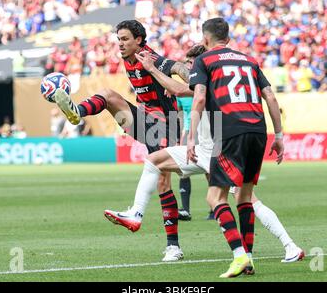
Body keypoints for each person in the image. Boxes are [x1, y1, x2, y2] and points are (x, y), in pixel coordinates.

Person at [105, 45, 304, 265]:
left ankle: (289, 245)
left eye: (192, 65)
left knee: (247, 200)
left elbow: (181, 90)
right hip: (204, 150)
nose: (190, 70)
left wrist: (152, 70)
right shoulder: (218, 80)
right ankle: (136, 214)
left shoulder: (208, 82)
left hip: (217, 151)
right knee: (154, 161)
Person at [53, 20, 191, 253]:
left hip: (166, 126)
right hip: (146, 122)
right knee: (107, 95)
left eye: (125, 39)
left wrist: (194, 80)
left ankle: (172, 246)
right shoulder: (128, 60)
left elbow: (177, 67)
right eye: (119, 40)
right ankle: (77, 113)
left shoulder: (149, 57)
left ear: (139, 40)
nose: (121, 44)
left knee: (163, 182)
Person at [187, 18, 284, 278]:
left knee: (214, 198)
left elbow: (198, 98)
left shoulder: (204, 60)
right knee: (243, 196)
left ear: (205, 39)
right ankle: (249, 258)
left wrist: (191, 138)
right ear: (228, 38)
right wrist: (280, 135)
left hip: (229, 132)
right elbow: (271, 97)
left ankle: (239, 255)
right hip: (258, 132)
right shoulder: (249, 60)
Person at [176, 93, 193, 221]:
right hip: (187, 132)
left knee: (210, 171)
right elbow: (180, 115)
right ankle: (185, 210)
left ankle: (215, 208)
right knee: (183, 170)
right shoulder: (180, 94)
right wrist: (180, 136)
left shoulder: (203, 85)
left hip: (206, 131)